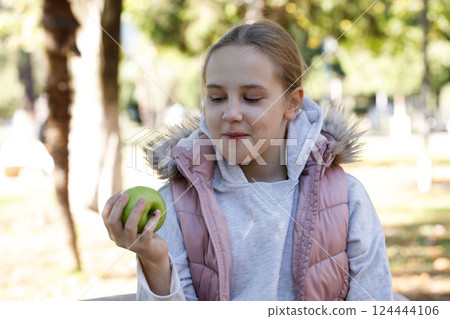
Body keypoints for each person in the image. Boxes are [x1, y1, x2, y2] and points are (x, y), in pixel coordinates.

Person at [101, 20, 393, 301]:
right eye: (216, 98)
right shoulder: (178, 205)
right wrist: (154, 262)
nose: (231, 114)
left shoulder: (347, 199)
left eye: (252, 98)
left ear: (292, 104)